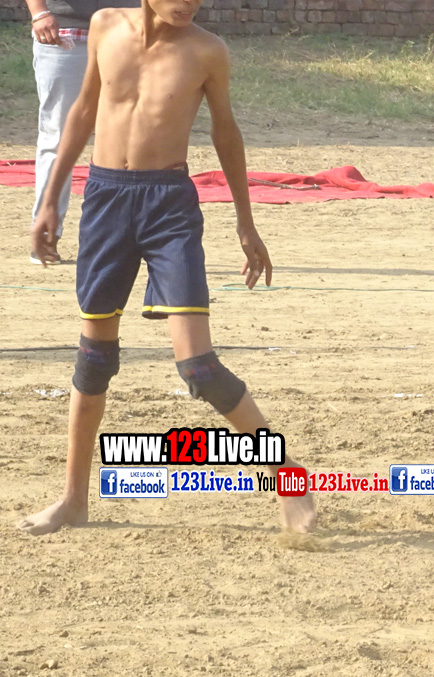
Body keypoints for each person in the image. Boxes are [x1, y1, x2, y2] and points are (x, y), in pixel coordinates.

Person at [18, 0, 317, 536]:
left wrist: (246, 224)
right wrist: (49, 200)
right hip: (106, 200)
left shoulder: (207, 51)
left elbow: (226, 133)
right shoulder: (105, 26)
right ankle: (73, 501)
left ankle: (288, 477)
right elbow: (83, 110)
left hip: (169, 207)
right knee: (94, 361)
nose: (188, 3)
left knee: (199, 367)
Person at [24, 0, 135, 264]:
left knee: (129, 139)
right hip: (64, 32)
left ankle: (122, 238)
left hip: (129, 30)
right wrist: (39, 13)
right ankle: (46, 234)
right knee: (58, 137)